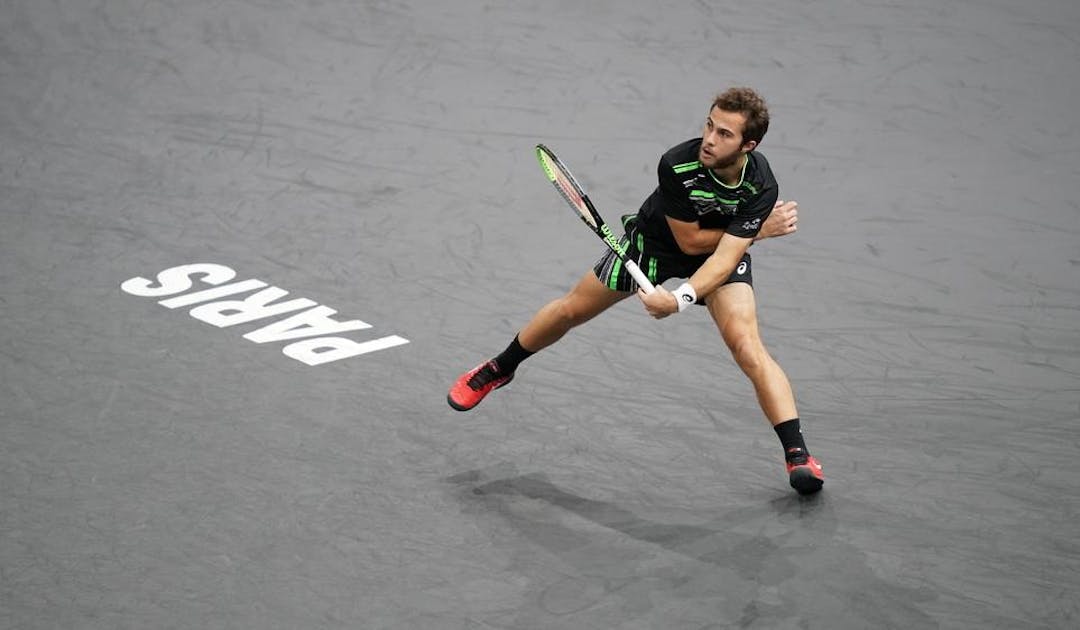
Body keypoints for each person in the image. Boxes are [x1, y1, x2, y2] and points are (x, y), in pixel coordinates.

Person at [447, 87, 824, 495]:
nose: (710, 140)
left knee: (748, 346)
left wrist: (680, 298)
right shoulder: (678, 164)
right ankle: (500, 368)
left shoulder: (760, 182)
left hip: (719, 253)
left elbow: (723, 258)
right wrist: (760, 232)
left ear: (749, 144)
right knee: (571, 310)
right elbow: (690, 244)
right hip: (654, 246)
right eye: (709, 125)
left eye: (725, 134)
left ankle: (798, 455)